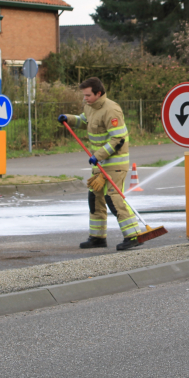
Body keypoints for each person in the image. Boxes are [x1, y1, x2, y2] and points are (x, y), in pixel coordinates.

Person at [57, 78, 141, 251]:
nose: (85, 98)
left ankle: (133, 235)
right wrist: (69, 119)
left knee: (113, 198)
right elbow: (85, 121)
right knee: (95, 199)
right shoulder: (90, 107)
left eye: (88, 95)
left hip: (115, 163)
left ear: (98, 93)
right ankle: (97, 237)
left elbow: (118, 138)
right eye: (84, 95)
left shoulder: (112, 109)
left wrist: (98, 155)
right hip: (98, 164)